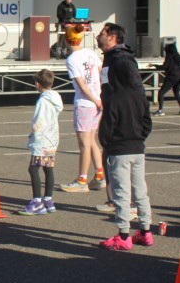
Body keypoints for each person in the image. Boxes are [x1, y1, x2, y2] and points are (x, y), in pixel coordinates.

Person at [97, 39, 154, 251]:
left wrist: (107, 143)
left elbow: (106, 127)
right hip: (138, 148)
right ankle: (146, 231)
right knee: (140, 191)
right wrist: (140, 137)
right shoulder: (140, 98)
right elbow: (147, 123)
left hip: (119, 149)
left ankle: (123, 234)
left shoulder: (113, 99)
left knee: (121, 193)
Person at [61, 26, 105, 192]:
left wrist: (95, 99)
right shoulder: (90, 53)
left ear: (66, 39)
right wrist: (100, 97)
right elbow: (101, 73)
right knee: (92, 140)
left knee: (84, 144)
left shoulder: (72, 59)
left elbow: (82, 85)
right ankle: (99, 175)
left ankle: (82, 180)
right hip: (97, 102)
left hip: (86, 104)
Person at [20, 69, 63, 215]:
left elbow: (38, 121)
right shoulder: (55, 97)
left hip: (42, 140)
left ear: (37, 84)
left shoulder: (42, 101)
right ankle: (48, 200)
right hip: (52, 139)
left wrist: (33, 136)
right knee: (48, 168)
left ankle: (37, 201)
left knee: (33, 169)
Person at [154, 41, 180, 116]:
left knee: (161, 92)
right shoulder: (178, 56)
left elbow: (165, 66)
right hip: (179, 76)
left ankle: (160, 110)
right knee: (176, 93)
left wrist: (155, 65)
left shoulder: (169, 56)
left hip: (171, 76)